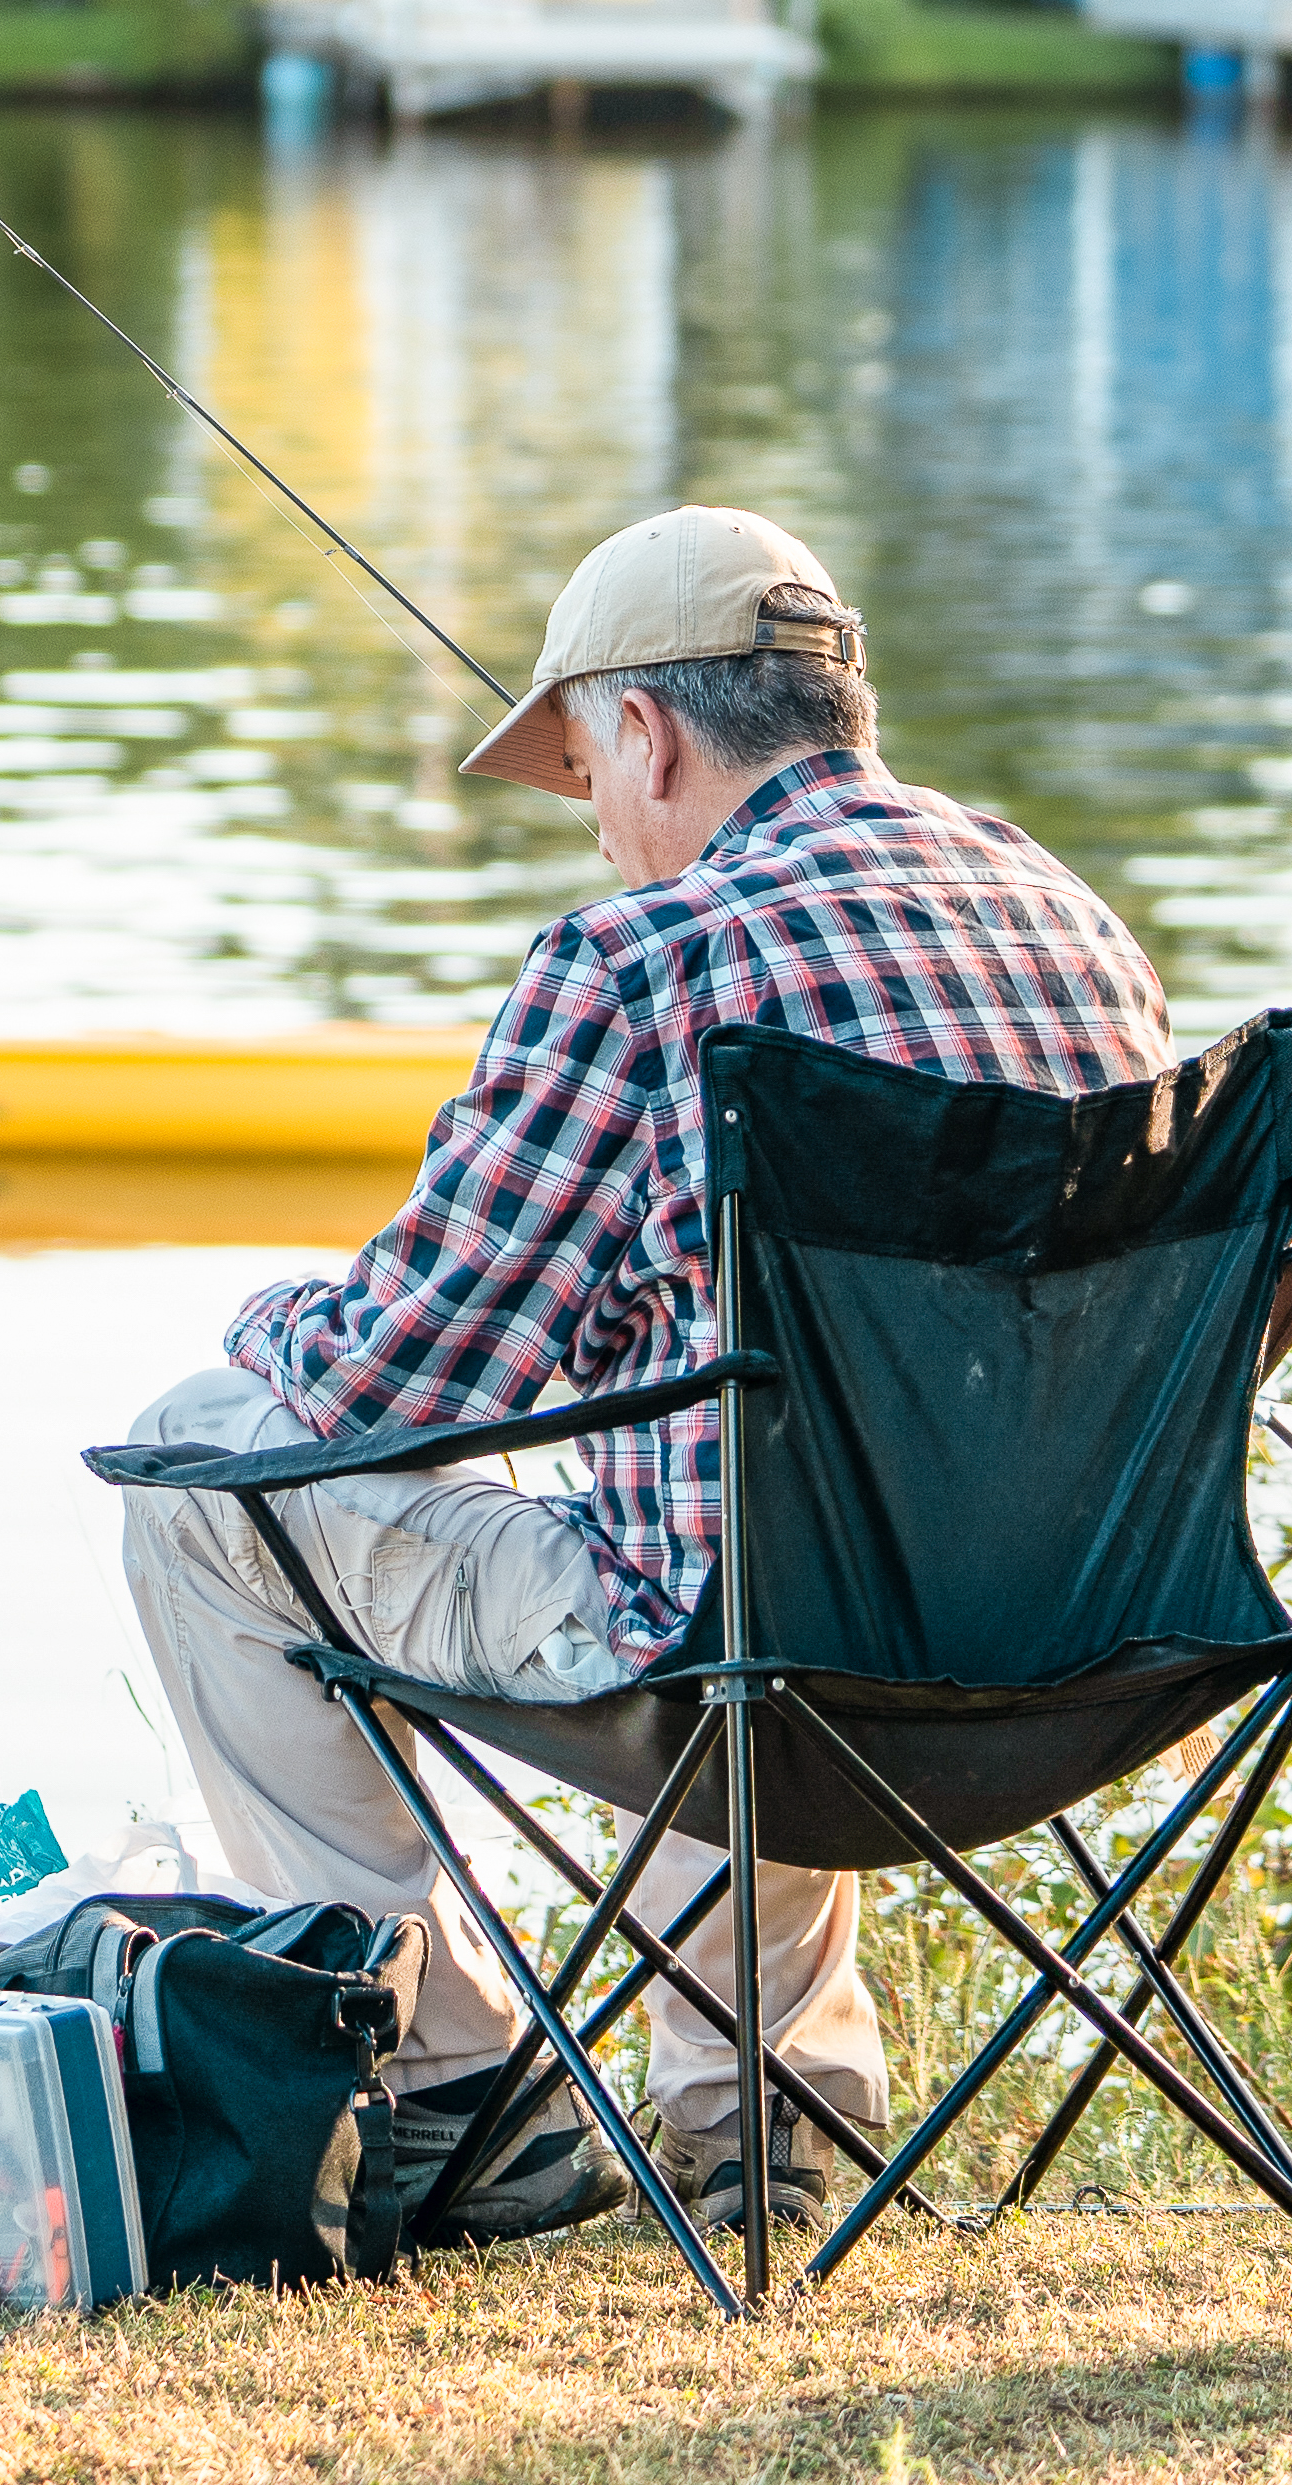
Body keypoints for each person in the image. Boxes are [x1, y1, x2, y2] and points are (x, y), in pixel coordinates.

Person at [109, 503, 1162, 2248]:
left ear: (649, 734)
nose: (595, 826)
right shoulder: (1065, 915)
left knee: (206, 1467)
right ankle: (760, 2109)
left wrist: (270, 1321)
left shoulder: (644, 961)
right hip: (1094, 1641)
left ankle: (441, 2086)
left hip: (761, 1664)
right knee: (746, 1482)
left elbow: (399, 1375)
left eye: (584, 769)